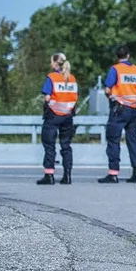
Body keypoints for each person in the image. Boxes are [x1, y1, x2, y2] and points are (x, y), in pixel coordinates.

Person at [98, 45, 136, 184]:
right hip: (133, 109)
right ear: (128, 55)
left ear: (117, 56)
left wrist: (112, 98)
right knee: (133, 140)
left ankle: (113, 174)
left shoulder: (115, 69)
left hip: (118, 109)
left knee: (113, 140)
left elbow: (107, 89)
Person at [37, 52, 77, 185]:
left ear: (55, 63)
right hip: (68, 116)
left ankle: (49, 175)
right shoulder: (71, 78)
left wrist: (45, 101)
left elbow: (47, 97)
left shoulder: (52, 77)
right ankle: (67, 175)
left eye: (51, 61)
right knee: (66, 145)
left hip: (53, 115)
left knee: (49, 145)